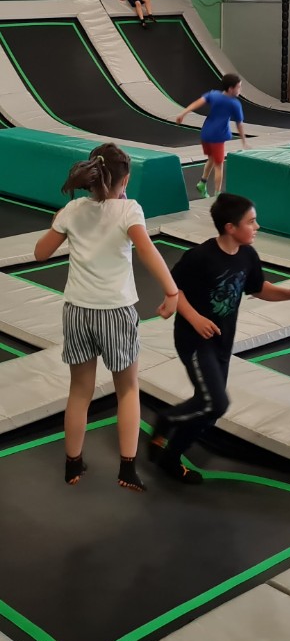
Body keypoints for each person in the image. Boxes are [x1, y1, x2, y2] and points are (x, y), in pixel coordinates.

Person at [33, 143, 179, 492]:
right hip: (115, 311)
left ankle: (73, 463)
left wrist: (59, 220)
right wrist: (172, 291)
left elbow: (40, 253)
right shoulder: (129, 209)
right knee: (127, 389)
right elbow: (147, 250)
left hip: (77, 312)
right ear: (124, 180)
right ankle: (127, 469)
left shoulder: (72, 210)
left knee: (79, 391)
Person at [148, 193, 290, 484]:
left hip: (222, 343)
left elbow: (258, 288)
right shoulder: (201, 257)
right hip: (195, 342)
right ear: (230, 227)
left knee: (209, 410)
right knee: (216, 403)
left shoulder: (247, 255)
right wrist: (195, 318)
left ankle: (169, 438)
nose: (257, 226)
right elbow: (174, 290)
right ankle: (168, 433)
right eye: (251, 222)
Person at [176, 73, 248, 198]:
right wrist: (243, 140)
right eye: (239, 87)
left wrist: (183, 113)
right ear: (231, 89)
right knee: (219, 166)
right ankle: (218, 195)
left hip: (206, 134)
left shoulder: (214, 94)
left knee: (211, 158)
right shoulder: (234, 103)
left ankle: (202, 183)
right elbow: (239, 124)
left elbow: (197, 103)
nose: (240, 90)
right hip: (217, 136)